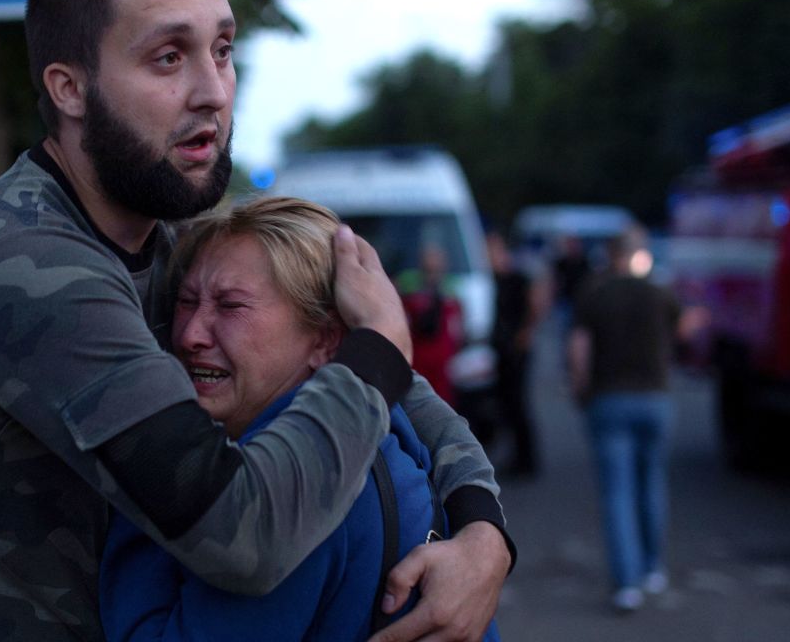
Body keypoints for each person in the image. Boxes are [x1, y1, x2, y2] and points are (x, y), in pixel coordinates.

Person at [0, 0, 512, 641]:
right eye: (168, 58)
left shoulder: (172, 240)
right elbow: (241, 537)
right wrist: (372, 347)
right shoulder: (23, 262)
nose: (214, 92)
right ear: (69, 88)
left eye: (223, 51)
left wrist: (483, 535)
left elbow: (405, 393)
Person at [101, 197, 499, 641]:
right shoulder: (397, 442)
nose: (191, 334)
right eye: (186, 301)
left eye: (231, 306)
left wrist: (142, 492)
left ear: (327, 340)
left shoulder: (294, 492)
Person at [568, 224, 706, 612]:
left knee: (617, 493)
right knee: (651, 484)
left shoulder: (594, 294)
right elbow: (683, 331)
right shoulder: (661, 293)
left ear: (611, 255)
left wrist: (581, 388)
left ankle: (626, 584)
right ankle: (652, 569)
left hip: (609, 400)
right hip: (655, 399)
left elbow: (579, 347)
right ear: (640, 253)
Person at [487, 230, 543, 477]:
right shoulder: (490, 279)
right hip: (500, 348)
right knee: (507, 403)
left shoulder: (517, 278)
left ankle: (526, 459)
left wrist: (525, 333)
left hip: (516, 350)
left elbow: (534, 306)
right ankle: (519, 457)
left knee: (517, 403)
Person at [397, 244, 464, 409]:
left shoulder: (451, 291)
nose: (432, 269)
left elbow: (457, 328)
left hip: (439, 361)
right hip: (419, 359)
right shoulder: (409, 289)